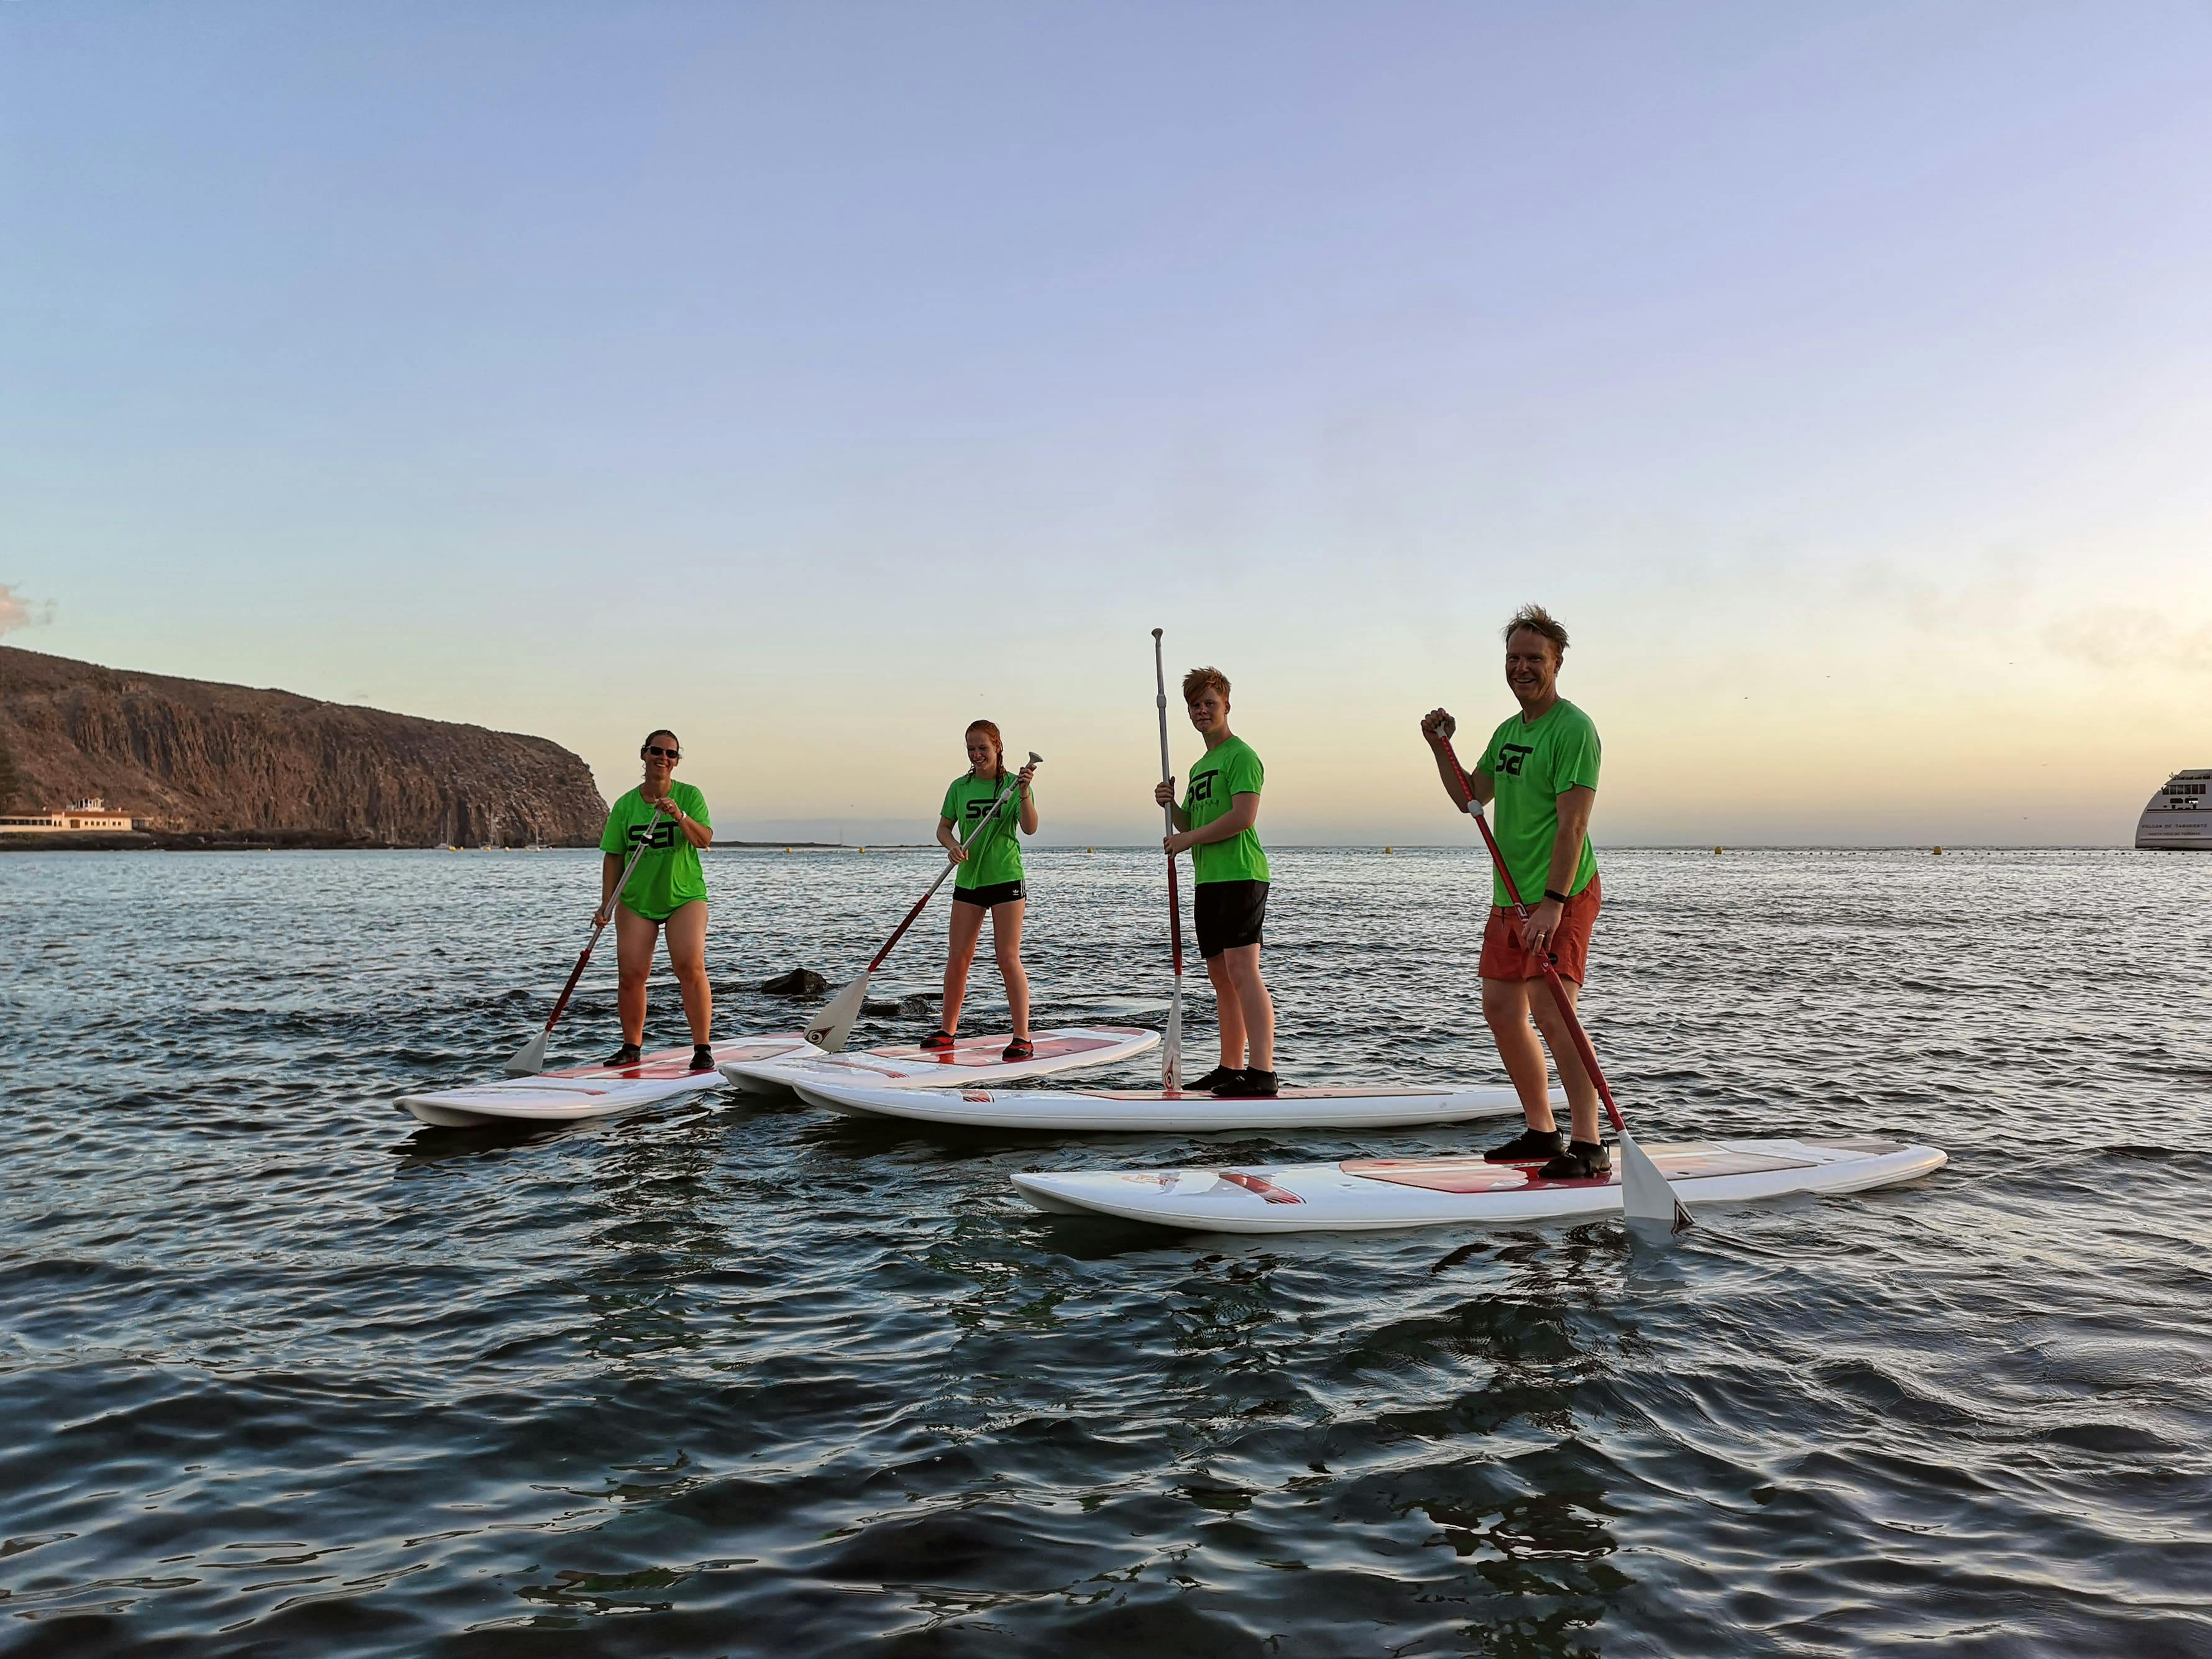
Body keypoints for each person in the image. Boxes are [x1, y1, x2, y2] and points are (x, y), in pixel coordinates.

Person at [1421, 604, 1606, 1179]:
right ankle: (1542, 1131)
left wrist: (1552, 902)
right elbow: (1469, 795)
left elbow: (1573, 824)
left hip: (1560, 895)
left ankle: (1588, 1141)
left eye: (1534, 659)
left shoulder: (1572, 728)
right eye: (1513, 658)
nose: (1521, 668)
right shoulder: (1507, 733)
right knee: (1502, 1009)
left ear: (1556, 663)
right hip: (1508, 897)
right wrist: (1438, 746)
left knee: (1555, 1015)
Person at [1154, 666, 1278, 1097]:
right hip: (1207, 880)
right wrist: (1173, 808)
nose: (1202, 710)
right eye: (1195, 704)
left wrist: (1186, 837)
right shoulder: (1200, 765)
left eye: (1209, 702)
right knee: (1220, 976)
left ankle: (1261, 1071)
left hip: (1241, 875)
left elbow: (1243, 816)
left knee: (1244, 971)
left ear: (1226, 705)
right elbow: (1194, 822)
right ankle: (1230, 1066)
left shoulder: (1240, 756)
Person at [596, 728, 714, 1069]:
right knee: (632, 974)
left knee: (689, 965)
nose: (664, 758)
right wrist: (607, 903)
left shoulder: (690, 796)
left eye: (671, 754)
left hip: (684, 896)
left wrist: (679, 815)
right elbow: (614, 857)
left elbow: (704, 840)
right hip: (636, 900)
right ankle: (631, 1048)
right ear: (644, 754)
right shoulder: (625, 805)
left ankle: (702, 1049)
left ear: (677, 762)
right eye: (657, 751)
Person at [925, 720, 1040, 1061]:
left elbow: (1031, 828)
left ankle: (1022, 1036)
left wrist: (1023, 793)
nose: (977, 755)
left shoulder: (1014, 784)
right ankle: (948, 1032)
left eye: (983, 748)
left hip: (1006, 877)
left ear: (998, 747)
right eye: (971, 749)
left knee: (1007, 957)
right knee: (959, 957)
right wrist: (953, 846)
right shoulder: (959, 787)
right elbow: (943, 829)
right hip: (969, 880)